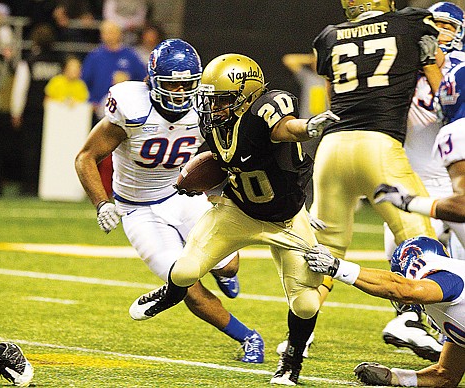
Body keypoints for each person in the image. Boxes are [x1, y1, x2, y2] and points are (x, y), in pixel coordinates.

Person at [126, 51, 340, 386]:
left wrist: (307, 127)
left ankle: (291, 362)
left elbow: (286, 128)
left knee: (306, 303)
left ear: (246, 96)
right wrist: (198, 181)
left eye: (222, 100)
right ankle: (169, 294)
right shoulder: (214, 124)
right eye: (210, 100)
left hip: (286, 218)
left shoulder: (265, 110)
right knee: (183, 271)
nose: (213, 108)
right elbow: (224, 161)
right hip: (238, 209)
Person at [75, 39, 264, 364]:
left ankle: (221, 274)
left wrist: (216, 186)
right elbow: (86, 157)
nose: (179, 92)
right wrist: (102, 203)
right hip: (138, 210)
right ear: (152, 81)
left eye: (186, 84)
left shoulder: (203, 107)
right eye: (171, 83)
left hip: (182, 194)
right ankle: (248, 337)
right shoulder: (132, 108)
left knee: (229, 263)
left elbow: (222, 150)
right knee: (187, 283)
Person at [306, 0, 443, 363]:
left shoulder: (328, 36)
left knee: (325, 250)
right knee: (417, 235)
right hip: (378, 144)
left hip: (332, 147)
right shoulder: (412, 24)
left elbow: (333, 92)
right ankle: (410, 318)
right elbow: (439, 83)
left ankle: (296, 338)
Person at [380, 1, 465, 362]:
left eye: (448, 26)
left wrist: (433, 66)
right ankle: (412, 321)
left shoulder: (458, 68)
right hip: (414, 177)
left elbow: (448, 106)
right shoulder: (403, 64)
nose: (440, 32)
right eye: (435, 25)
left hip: (454, 180)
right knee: (404, 254)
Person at [305, 236, 465, 387]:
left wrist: (339, 268)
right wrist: (394, 377)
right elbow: (445, 375)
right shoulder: (447, 305)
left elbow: (405, 290)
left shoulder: (445, 277)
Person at [81, 19, 146, 198]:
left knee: (123, 152)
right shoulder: (94, 56)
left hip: (126, 113)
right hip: (100, 111)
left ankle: (121, 189)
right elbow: (83, 82)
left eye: (112, 31)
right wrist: (92, 100)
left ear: (119, 33)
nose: (108, 35)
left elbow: (146, 81)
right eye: (105, 32)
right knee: (98, 152)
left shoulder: (130, 56)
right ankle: (99, 190)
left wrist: (128, 83)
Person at [10, 23, 64, 196]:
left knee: (30, 150)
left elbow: (20, 89)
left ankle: (29, 186)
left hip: (32, 112)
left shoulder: (29, 61)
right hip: (56, 113)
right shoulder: (59, 61)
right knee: (49, 149)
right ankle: (49, 185)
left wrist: (16, 112)